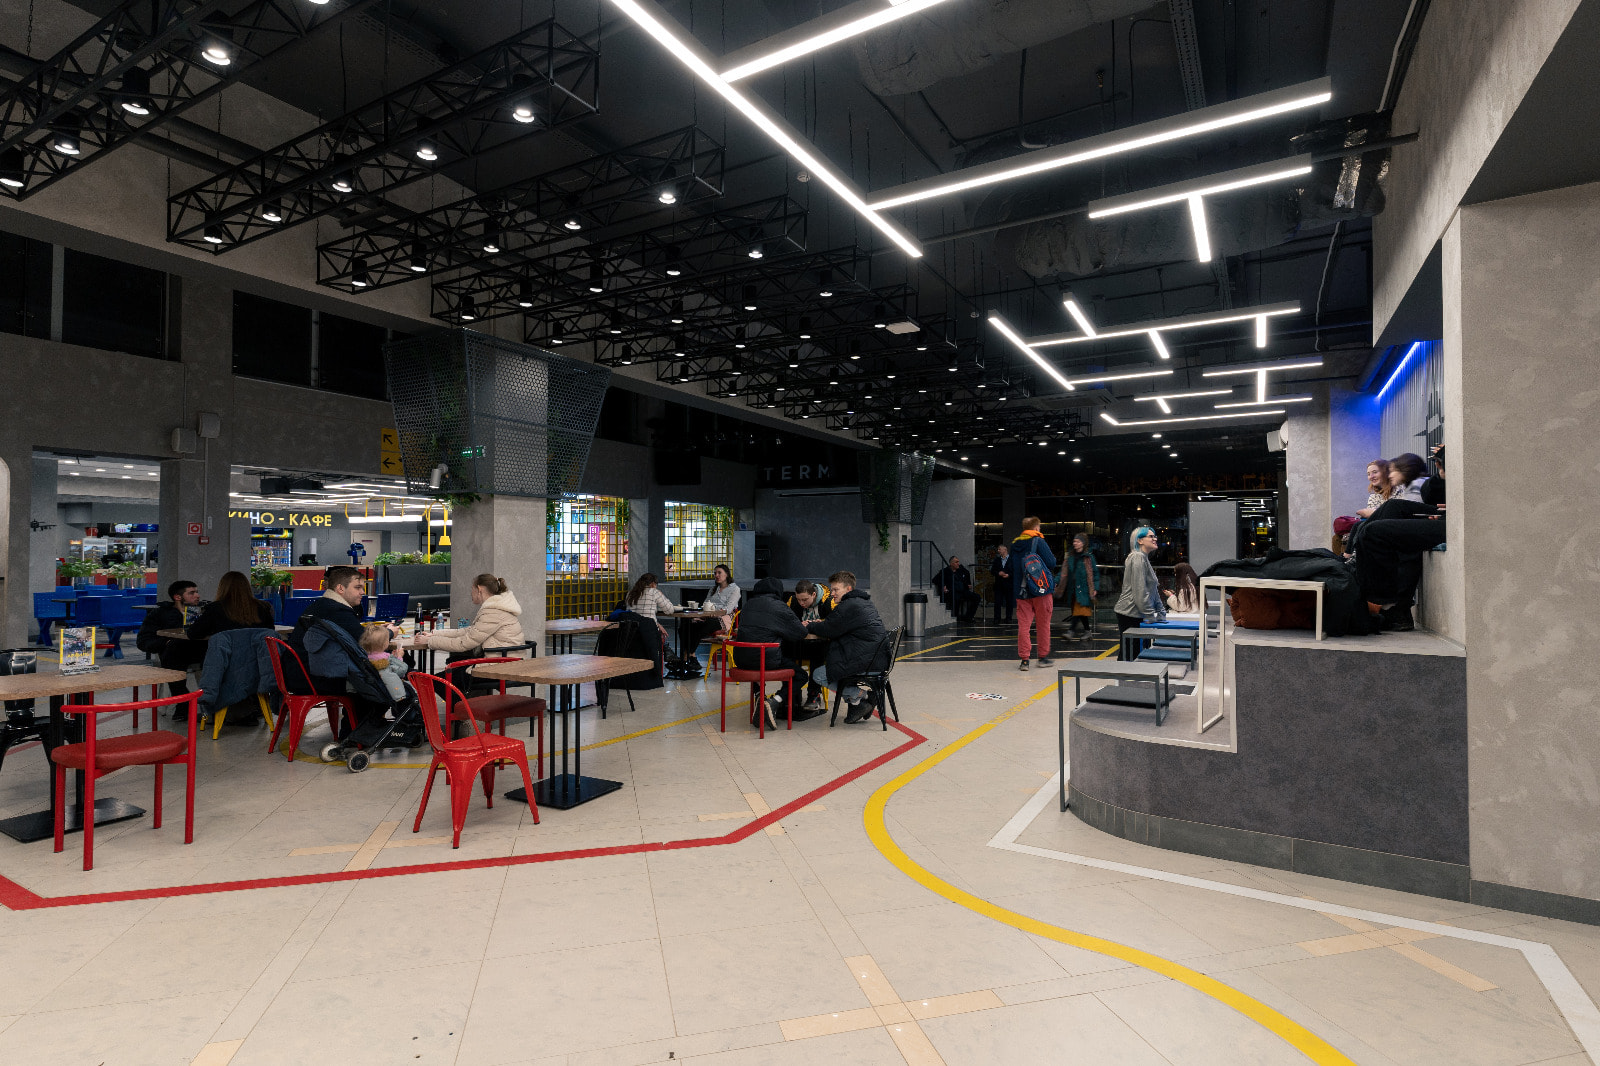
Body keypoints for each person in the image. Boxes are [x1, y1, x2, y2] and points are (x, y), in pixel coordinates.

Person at [1356, 446, 1446, 632]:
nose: (1389, 475)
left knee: (1373, 531)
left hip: (1451, 521)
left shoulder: (1417, 484)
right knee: (1392, 507)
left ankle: (1389, 605)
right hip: (1444, 516)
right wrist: (1442, 474)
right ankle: (1356, 565)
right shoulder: (1422, 484)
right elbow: (1430, 494)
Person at [733, 576, 824, 727]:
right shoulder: (779, 606)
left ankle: (759, 697)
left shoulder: (748, 605)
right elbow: (800, 633)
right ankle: (774, 701)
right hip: (766, 659)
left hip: (740, 659)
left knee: (758, 660)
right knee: (800, 676)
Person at [802, 570, 888, 724]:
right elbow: (835, 625)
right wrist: (823, 624)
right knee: (835, 665)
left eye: (836, 589)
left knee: (819, 675)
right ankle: (857, 704)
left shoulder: (849, 605)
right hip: (875, 657)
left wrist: (809, 625)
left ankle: (865, 696)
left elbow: (829, 629)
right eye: (832, 590)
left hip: (868, 660)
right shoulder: (860, 601)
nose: (832, 593)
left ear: (848, 589)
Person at [414, 573, 524, 659]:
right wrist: (434, 634)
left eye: (472, 588)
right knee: (453, 662)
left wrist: (429, 641)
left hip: (499, 665)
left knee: (443, 676)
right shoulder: (496, 608)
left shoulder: (494, 612)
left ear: (479, 590)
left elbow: (463, 643)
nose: (470, 593)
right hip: (501, 660)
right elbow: (469, 631)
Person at [136, 579, 207, 696]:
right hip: (176, 653)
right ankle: (183, 699)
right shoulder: (160, 614)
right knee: (173, 648)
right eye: (191, 593)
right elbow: (143, 641)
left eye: (197, 592)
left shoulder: (204, 612)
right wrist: (166, 643)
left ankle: (210, 699)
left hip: (202, 651)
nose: (197, 596)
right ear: (177, 597)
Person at [1010, 517, 1057, 670]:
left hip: (1021, 590)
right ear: (1036, 527)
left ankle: (1024, 660)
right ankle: (1042, 658)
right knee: (1043, 625)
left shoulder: (1015, 544)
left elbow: (1010, 567)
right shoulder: (1038, 541)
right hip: (1040, 590)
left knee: (1024, 626)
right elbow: (1051, 562)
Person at [1113, 526, 1167, 658]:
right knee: (1129, 654)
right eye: (1151, 536)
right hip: (1129, 613)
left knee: (1134, 653)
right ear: (1140, 540)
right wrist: (1150, 614)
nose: (1155, 539)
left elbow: (1152, 589)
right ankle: (1122, 672)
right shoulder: (1137, 557)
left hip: (1137, 612)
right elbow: (1139, 590)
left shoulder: (1143, 558)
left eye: (1155, 536)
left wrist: (1160, 611)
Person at [185, 571, 274, 640]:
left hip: (225, 656)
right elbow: (270, 632)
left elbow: (193, 634)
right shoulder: (263, 607)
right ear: (247, 587)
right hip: (257, 656)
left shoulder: (215, 608)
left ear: (222, 588)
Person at [785, 579, 832, 709]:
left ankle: (814, 694)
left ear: (814, 594)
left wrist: (822, 623)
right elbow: (786, 621)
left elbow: (835, 623)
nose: (801, 603)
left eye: (805, 600)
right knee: (786, 652)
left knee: (817, 654)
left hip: (822, 645)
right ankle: (792, 693)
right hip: (800, 644)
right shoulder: (792, 602)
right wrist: (798, 625)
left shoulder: (828, 602)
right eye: (799, 599)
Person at [684, 563, 738, 664]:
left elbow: (729, 608)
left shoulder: (734, 589)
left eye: (719, 573)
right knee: (687, 625)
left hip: (725, 619)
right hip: (709, 616)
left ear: (726, 574)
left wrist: (715, 612)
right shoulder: (713, 589)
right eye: (715, 573)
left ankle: (687, 654)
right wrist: (703, 614)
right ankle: (692, 655)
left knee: (702, 626)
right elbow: (706, 603)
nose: (716, 575)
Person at [1058, 534, 1097, 638]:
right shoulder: (1070, 557)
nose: (1075, 543)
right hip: (1073, 589)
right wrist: (1056, 581)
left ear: (1083, 543)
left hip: (1084, 589)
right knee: (1080, 612)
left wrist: (1095, 588)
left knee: (1078, 610)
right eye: (1074, 541)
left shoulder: (1088, 557)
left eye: (1078, 541)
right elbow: (1063, 572)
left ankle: (1071, 631)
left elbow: (1095, 573)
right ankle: (1088, 631)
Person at [623, 572, 677, 645]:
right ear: (652, 584)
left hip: (630, 631)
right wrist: (662, 595)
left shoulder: (630, 593)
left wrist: (658, 624)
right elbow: (669, 610)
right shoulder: (654, 592)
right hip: (649, 632)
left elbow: (638, 616)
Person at [360, 624, 409, 702]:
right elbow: (401, 671)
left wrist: (394, 658)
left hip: (372, 691)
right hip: (390, 692)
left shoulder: (364, 657)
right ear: (385, 644)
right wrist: (399, 657)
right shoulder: (387, 658)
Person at [933, 555, 979, 623]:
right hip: (952, 592)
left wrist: (967, 584)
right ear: (951, 564)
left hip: (962, 591)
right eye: (956, 562)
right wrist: (943, 586)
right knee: (956, 598)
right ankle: (955, 617)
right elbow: (935, 580)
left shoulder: (960, 570)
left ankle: (969, 617)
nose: (958, 564)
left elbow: (966, 573)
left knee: (977, 597)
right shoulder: (945, 571)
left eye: (958, 562)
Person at [990, 545, 1014, 623]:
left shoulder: (1012, 559)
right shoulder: (997, 560)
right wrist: (998, 573)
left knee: (1009, 602)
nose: (998, 551)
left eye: (999, 549)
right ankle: (997, 618)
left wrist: (1009, 575)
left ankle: (1008, 618)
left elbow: (1015, 571)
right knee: (997, 602)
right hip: (999, 584)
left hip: (1009, 584)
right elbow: (992, 571)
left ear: (1005, 549)